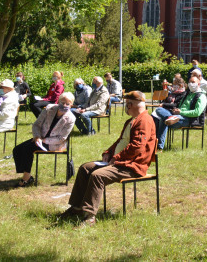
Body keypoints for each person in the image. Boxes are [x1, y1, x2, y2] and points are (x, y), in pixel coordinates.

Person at [58, 91, 157, 226]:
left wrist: (116, 158)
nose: (126, 107)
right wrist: (108, 152)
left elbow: (137, 147)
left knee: (97, 176)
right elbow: (120, 141)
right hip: (120, 162)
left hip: (132, 166)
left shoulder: (144, 120)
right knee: (85, 168)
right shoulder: (132, 120)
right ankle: (76, 208)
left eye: (127, 104)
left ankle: (89, 216)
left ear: (132, 104)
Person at [12, 92, 76, 187]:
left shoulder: (71, 118)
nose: (65, 105)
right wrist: (37, 137)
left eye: (68, 103)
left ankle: (26, 178)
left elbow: (62, 138)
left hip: (54, 143)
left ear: (71, 105)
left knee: (28, 149)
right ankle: (27, 173)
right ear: (58, 102)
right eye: (62, 102)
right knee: (17, 149)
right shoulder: (50, 108)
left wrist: (44, 141)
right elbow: (37, 124)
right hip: (40, 138)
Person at [153, 73, 207, 151]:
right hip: (177, 116)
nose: (191, 84)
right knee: (158, 110)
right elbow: (178, 105)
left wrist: (181, 112)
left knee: (163, 120)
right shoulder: (188, 94)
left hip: (189, 119)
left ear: (198, 84)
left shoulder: (202, 96)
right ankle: (170, 118)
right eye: (189, 82)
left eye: (193, 82)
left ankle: (159, 147)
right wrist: (175, 110)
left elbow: (197, 112)